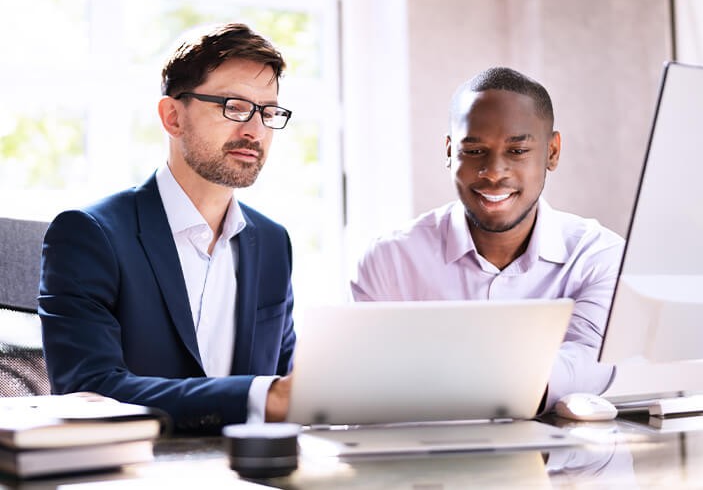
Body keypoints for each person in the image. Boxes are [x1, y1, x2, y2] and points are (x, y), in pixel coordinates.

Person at [39, 23, 295, 432]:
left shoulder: (272, 241)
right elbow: (89, 389)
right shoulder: (89, 235)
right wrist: (259, 398)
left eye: (268, 112)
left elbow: (287, 382)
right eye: (234, 106)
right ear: (172, 117)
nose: (255, 130)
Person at [351, 67, 624, 412]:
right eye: (475, 151)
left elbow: (590, 362)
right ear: (450, 152)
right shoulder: (390, 259)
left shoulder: (599, 255)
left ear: (552, 152)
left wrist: (432, 372)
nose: (494, 172)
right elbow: (363, 382)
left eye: (518, 151)